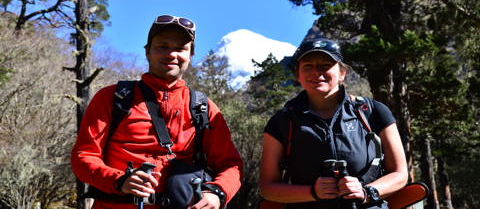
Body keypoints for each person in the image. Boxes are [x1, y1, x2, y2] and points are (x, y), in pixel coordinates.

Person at [71, 14, 243, 209]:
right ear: (147, 52)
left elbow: (231, 165)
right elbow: (84, 156)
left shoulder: (203, 108)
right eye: (162, 46)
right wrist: (119, 180)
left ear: (190, 54)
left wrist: (217, 193)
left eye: (180, 48)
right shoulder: (112, 98)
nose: (172, 54)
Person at [259, 37, 408, 209]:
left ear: (342, 73)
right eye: (308, 66)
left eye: (325, 65)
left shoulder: (373, 112)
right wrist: (312, 193)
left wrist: (367, 192)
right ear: (297, 74)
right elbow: (267, 187)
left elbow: (400, 174)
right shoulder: (282, 121)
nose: (316, 72)